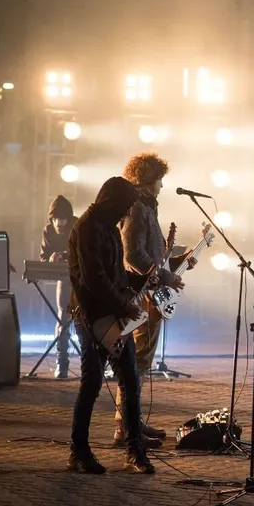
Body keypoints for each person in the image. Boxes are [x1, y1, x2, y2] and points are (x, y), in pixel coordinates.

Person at [65, 176, 155, 474]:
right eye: (125, 206)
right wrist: (124, 304)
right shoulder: (87, 228)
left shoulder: (109, 229)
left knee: (130, 379)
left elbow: (117, 275)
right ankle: (78, 452)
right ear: (112, 201)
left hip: (114, 316)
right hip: (91, 316)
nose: (126, 214)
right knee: (91, 383)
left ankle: (135, 451)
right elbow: (94, 280)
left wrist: (146, 280)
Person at [117, 152, 195, 447]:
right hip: (141, 295)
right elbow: (132, 255)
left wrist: (178, 262)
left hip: (148, 291)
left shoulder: (146, 208)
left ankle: (130, 422)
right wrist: (164, 278)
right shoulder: (137, 208)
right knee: (136, 361)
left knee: (140, 361)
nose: (162, 186)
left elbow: (153, 257)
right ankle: (127, 427)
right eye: (159, 180)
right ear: (147, 180)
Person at [39, 194, 77, 379]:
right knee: (63, 315)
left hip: (83, 277)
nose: (59, 223)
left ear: (68, 218)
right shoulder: (48, 230)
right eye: (55, 219)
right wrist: (51, 257)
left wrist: (64, 254)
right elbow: (43, 257)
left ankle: (97, 362)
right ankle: (62, 363)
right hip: (64, 277)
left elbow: (85, 251)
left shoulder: (78, 226)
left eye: (62, 219)